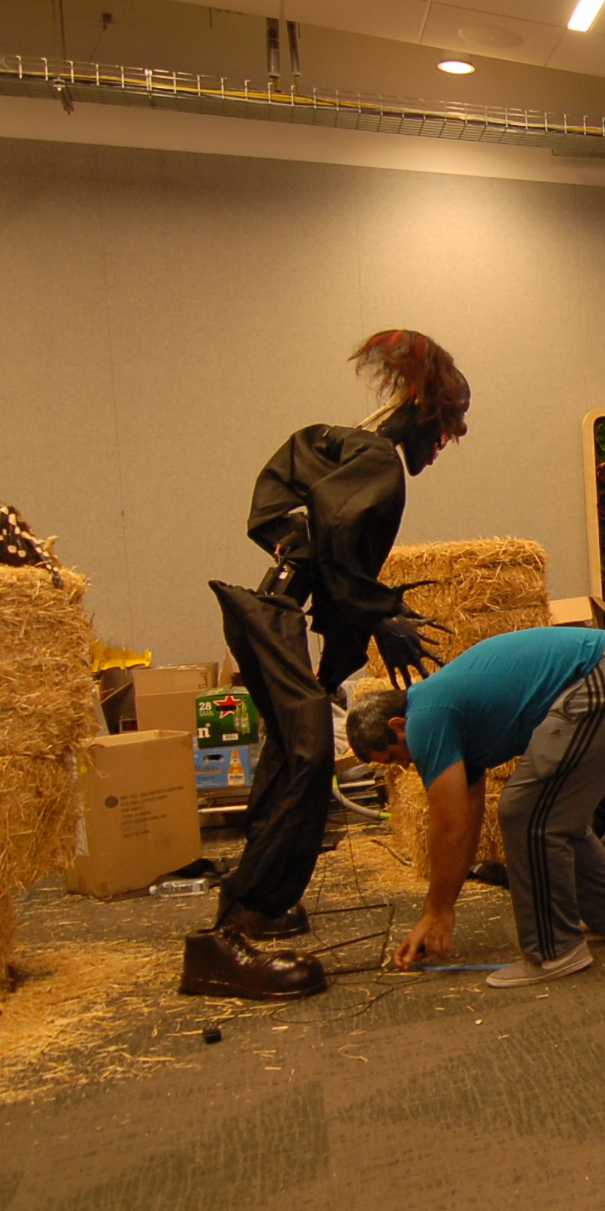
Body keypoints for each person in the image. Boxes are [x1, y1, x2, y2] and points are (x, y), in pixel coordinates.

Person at [184, 331, 466, 1001]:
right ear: (422, 408)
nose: (440, 448)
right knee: (308, 760)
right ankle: (225, 942)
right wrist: (381, 614)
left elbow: (298, 525)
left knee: (290, 753)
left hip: (269, 615)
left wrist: (365, 609)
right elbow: (337, 545)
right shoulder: (377, 460)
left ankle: (255, 906)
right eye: (444, 431)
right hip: (275, 618)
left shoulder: (347, 447)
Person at [346, 624, 605, 988]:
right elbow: (466, 823)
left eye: (394, 755)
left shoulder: (425, 716)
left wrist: (436, 912)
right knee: (552, 816)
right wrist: (440, 910)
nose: (405, 765)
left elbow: (449, 825)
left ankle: (555, 951)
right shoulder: (446, 714)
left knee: (524, 812)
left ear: (398, 725)